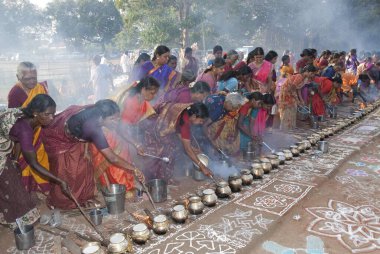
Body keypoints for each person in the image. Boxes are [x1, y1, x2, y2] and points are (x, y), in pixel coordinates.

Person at [41, 100, 144, 209]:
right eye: (113, 119)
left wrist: (136, 144)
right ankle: (62, 203)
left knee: (84, 168)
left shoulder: (100, 112)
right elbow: (112, 158)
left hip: (76, 133)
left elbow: (119, 128)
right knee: (66, 172)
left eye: (117, 118)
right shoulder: (93, 128)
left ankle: (84, 197)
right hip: (58, 139)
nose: (116, 121)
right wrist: (134, 169)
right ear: (101, 118)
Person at [0, 94, 68, 228]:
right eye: (47, 114)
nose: (51, 118)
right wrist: (59, 181)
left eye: (53, 114)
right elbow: (33, 163)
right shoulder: (25, 128)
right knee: (12, 188)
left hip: (4, 144)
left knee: (9, 179)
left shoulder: (29, 117)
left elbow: (17, 138)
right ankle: (21, 221)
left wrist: (14, 159)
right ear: (36, 113)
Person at [92, 77, 160, 192]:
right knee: (116, 161)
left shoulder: (142, 100)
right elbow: (121, 127)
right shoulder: (132, 101)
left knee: (126, 158)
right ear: (143, 89)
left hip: (121, 132)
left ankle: (127, 185)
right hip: (111, 133)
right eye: (152, 93)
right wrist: (136, 144)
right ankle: (121, 188)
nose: (153, 96)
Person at [139, 102, 212, 182]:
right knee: (164, 153)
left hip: (154, 126)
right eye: (201, 121)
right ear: (194, 116)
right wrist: (203, 167)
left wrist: (191, 147)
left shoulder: (186, 108)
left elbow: (178, 130)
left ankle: (164, 177)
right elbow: (187, 149)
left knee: (171, 148)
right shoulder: (185, 122)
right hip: (153, 130)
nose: (201, 123)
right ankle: (157, 180)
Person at [7, 61, 51, 193]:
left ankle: (41, 189)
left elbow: (47, 108)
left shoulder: (41, 88)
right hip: (23, 133)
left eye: (34, 78)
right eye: (28, 79)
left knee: (42, 157)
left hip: (39, 130)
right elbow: (14, 118)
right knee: (25, 161)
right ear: (18, 77)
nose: (32, 82)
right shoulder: (15, 93)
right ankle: (26, 191)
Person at [279, 64, 317, 130]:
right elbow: (292, 88)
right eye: (312, 73)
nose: (312, 75)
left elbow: (298, 89)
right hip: (286, 92)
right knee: (288, 109)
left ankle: (291, 127)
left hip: (292, 92)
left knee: (294, 109)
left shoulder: (305, 78)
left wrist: (301, 100)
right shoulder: (299, 77)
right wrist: (297, 100)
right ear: (307, 71)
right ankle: (285, 128)